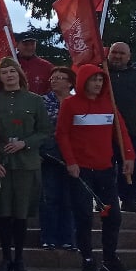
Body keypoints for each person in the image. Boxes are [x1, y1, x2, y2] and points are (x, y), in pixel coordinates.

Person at [56, 63, 135, 271]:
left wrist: (129, 156)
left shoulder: (109, 104)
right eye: (94, 80)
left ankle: (110, 259)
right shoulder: (70, 104)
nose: (98, 84)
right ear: (84, 81)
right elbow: (62, 134)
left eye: (101, 80)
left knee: (113, 216)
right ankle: (88, 258)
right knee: (83, 215)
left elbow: (121, 133)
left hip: (105, 169)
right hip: (81, 171)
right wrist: (71, 162)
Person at [0, 57, 49, 271]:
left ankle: (20, 258)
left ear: (20, 75)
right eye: (4, 72)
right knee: (4, 212)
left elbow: (44, 131)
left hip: (26, 163)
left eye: (12, 71)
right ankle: (6, 258)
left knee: (21, 212)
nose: (9, 75)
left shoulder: (35, 101)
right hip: (3, 164)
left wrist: (25, 143)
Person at [107, 42, 136, 212]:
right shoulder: (101, 75)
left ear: (129, 56)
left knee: (132, 168)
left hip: (132, 132)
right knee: (106, 168)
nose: (117, 56)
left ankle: (129, 198)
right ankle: (106, 199)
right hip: (104, 132)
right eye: (114, 52)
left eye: (121, 53)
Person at [38, 65, 77, 250]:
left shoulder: (77, 101)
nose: (54, 80)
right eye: (53, 77)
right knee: (50, 197)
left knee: (69, 198)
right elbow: (38, 128)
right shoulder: (42, 102)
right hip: (49, 156)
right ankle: (49, 237)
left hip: (73, 157)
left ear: (70, 82)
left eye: (60, 78)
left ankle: (68, 238)